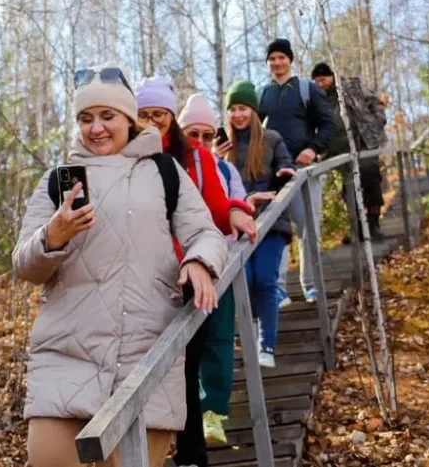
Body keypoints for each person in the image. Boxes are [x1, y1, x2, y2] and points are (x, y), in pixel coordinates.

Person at [14, 65, 229, 467]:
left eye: (107, 116)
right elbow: (24, 266)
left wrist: (200, 262)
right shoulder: (57, 180)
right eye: (85, 118)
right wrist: (53, 236)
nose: (96, 128)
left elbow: (206, 232)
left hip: (146, 360)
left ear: (129, 119)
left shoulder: (166, 172)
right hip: (66, 356)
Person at [135, 77, 256, 467]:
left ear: (171, 117)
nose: (152, 122)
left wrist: (237, 208)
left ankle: (190, 453)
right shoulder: (126, 157)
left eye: (160, 115)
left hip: (188, 276)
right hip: (141, 280)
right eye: (144, 115)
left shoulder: (197, 159)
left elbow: (216, 211)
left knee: (185, 366)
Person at [177, 92, 260, 447]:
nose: (199, 143)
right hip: (176, 272)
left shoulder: (224, 168)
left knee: (219, 339)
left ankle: (213, 412)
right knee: (181, 349)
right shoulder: (168, 166)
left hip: (220, 267)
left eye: (207, 135)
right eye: (192, 135)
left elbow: (234, 199)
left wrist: (239, 210)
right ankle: (178, 425)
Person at [256, 38, 335, 306]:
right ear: (267, 63)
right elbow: (251, 130)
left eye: (281, 57)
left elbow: (328, 124)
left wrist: (313, 148)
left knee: (307, 229)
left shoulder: (306, 89)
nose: (277, 63)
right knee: (276, 231)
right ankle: (278, 288)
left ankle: (310, 285)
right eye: (272, 59)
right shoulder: (262, 94)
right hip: (275, 173)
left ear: (290, 60)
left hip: (304, 171)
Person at [224, 80, 295, 368]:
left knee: (265, 279)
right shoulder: (223, 146)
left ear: (253, 111)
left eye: (243, 108)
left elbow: (286, 166)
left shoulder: (272, 139)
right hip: (238, 227)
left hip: (270, 223)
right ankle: (251, 332)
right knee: (246, 281)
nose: (238, 115)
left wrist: (285, 172)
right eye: (232, 109)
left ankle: (267, 344)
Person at [310, 62, 388, 240]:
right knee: (349, 188)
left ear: (331, 76)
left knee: (369, 176)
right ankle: (358, 227)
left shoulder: (351, 86)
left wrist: (377, 123)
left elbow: (376, 102)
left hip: (364, 142)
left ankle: (373, 223)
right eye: (317, 81)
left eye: (323, 80)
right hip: (338, 151)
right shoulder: (316, 98)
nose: (321, 84)